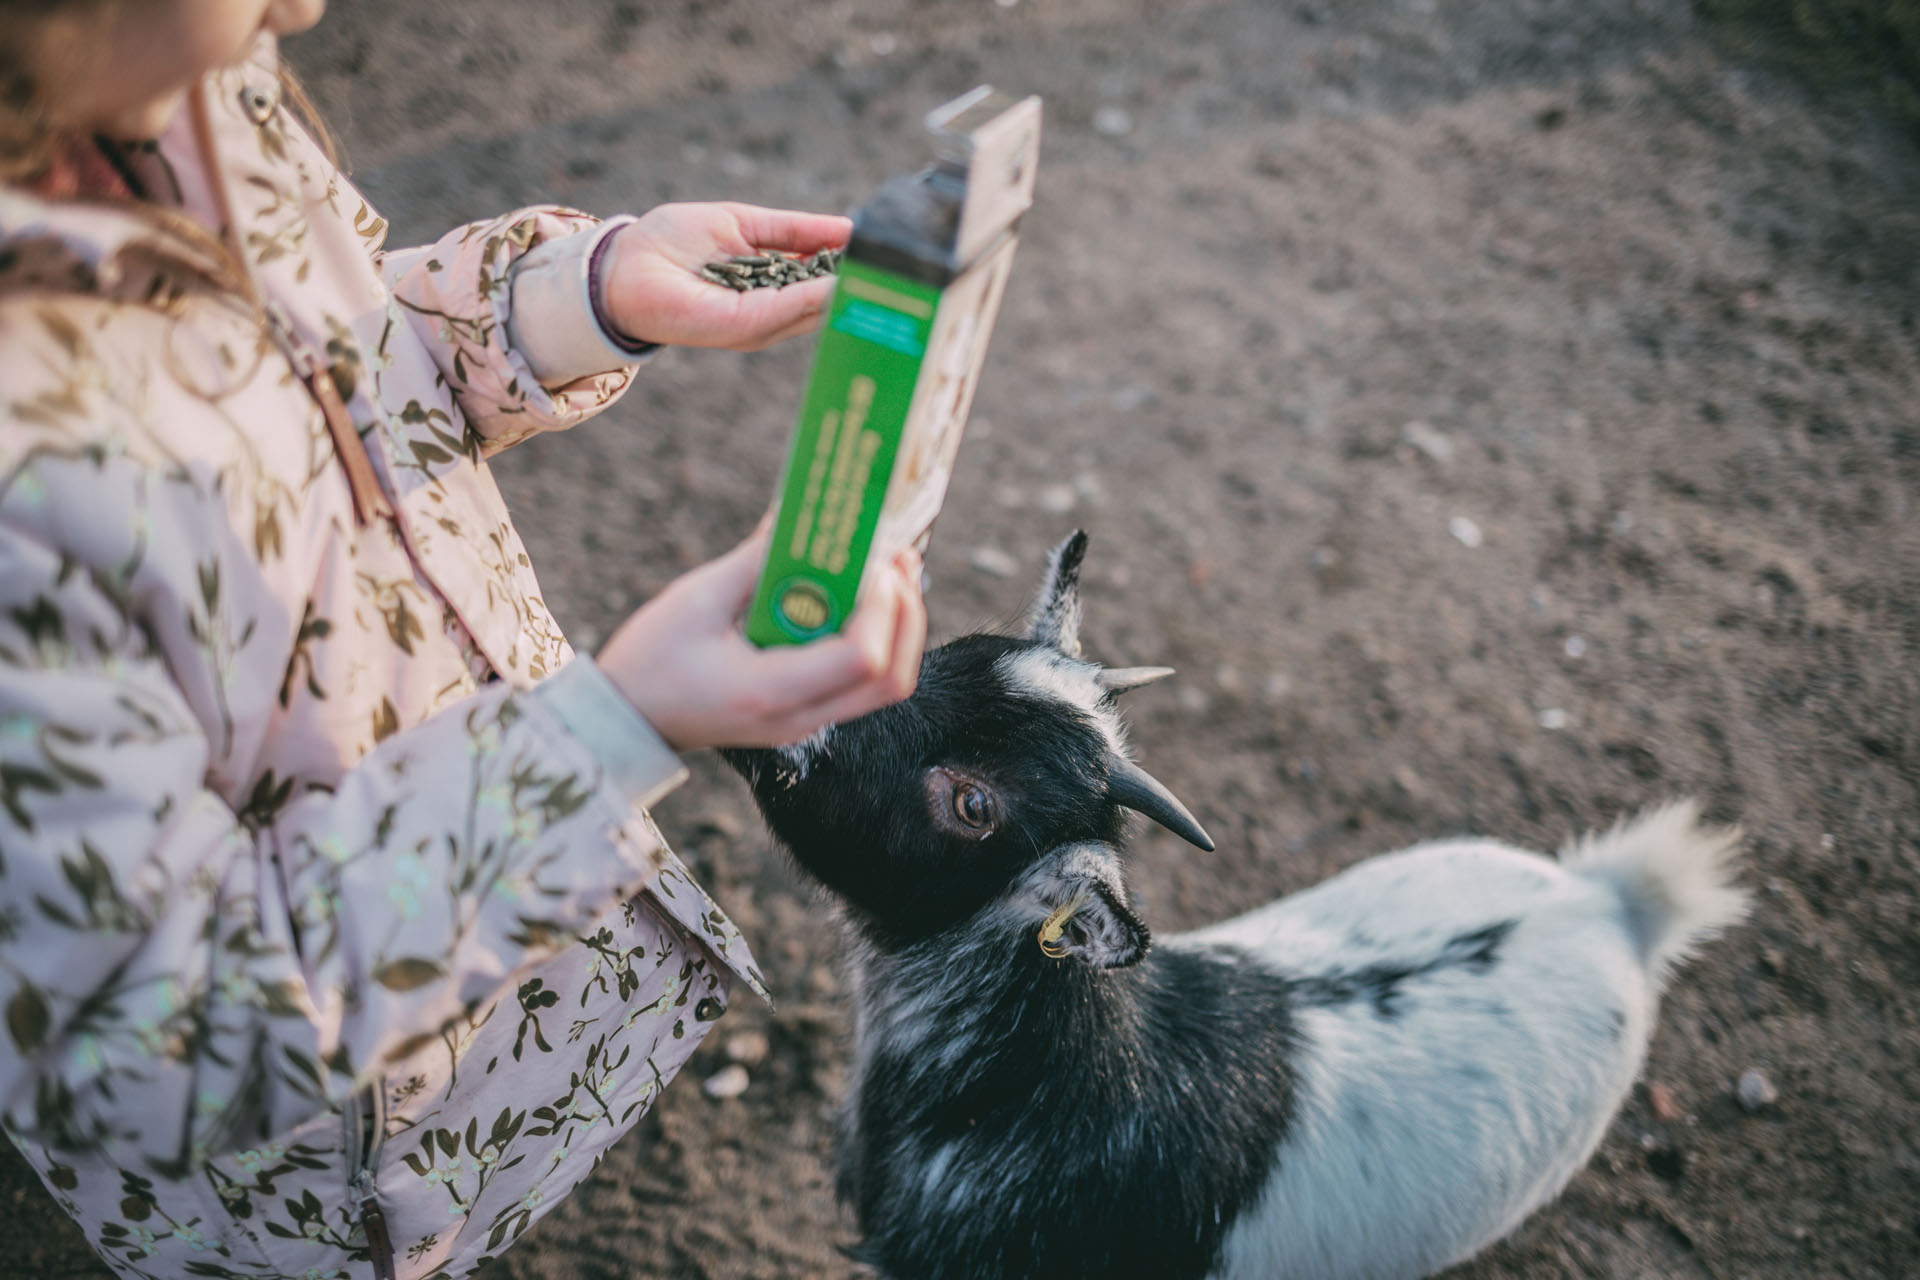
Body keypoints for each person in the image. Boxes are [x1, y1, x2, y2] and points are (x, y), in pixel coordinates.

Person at [0, 2, 928, 1277]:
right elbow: (142, 1040)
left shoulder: (188, 82)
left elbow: (338, 358)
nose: (306, 10)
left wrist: (574, 302)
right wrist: (611, 736)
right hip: (302, 1180)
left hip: (494, 957)